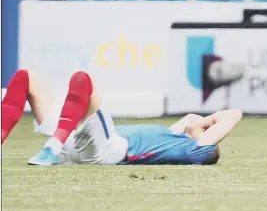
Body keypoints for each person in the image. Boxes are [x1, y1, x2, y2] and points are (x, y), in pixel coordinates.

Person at [1, 69, 242, 166]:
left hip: (108, 149)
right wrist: (198, 122)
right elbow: (190, 117)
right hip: (77, 140)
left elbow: (234, 114)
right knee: (26, 78)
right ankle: (50, 145)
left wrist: (207, 125)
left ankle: (52, 147)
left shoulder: (193, 150)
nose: (200, 122)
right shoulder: (172, 135)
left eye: (206, 128)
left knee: (84, 81)